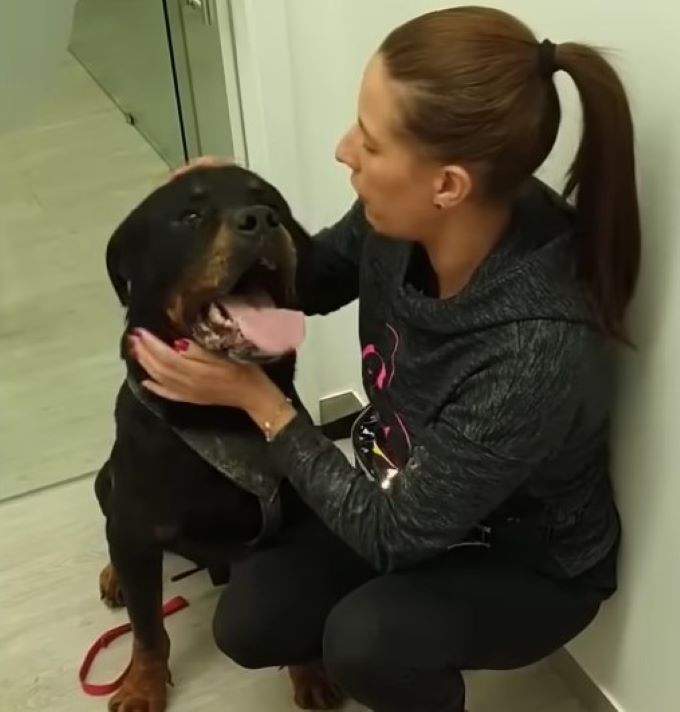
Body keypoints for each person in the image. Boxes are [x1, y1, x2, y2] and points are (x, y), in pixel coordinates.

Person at [129, 6, 640, 712]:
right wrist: (227, 206)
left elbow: (392, 535)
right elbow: (312, 282)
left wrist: (259, 401)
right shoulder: (407, 221)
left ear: (447, 185)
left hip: (527, 563)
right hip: (405, 489)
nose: (344, 150)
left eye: (369, 141)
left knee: (366, 644)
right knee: (253, 622)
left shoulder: (534, 350)